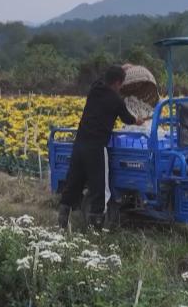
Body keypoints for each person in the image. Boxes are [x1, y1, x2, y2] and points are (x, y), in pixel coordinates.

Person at [58, 65, 145, 230]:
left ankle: (62, 224)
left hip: (79, 145)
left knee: (73, 183)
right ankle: (95, 229)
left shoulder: (94, 90)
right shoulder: (116, 100)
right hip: (95, 148)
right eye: (121, 83)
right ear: (118, 83)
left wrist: (122, 67)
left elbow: (102, 78)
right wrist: (137, 121)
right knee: (99, 188)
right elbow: (127, 119)